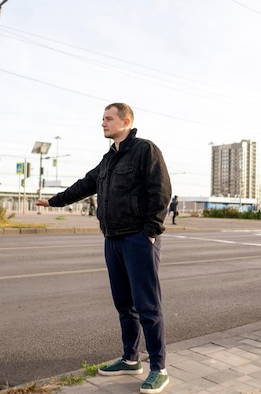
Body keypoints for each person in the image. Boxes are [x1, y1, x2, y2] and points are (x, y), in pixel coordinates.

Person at [36, 103, 172, 394]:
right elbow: (86, 184)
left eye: (108, 118)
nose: (103, 123)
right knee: (125, 304)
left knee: (148, 306)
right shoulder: (108, 160)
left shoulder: (145, 150)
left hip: (138, 238)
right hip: (113, 238)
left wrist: (151, 231)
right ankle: (130, 359)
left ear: (126, 121)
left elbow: (160, 190)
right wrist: (53, 202)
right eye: (102, 118)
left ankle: (159, 368)